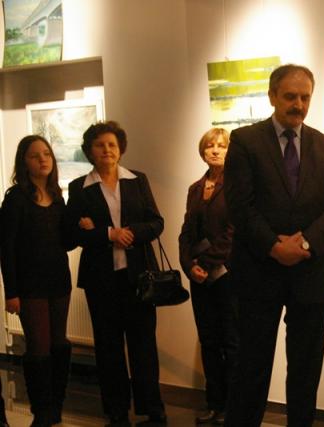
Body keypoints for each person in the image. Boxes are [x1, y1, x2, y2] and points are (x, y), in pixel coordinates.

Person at [223, 64, 324, 427]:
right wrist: (273, 246)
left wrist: (304, 243)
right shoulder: (245, 141)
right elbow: (240, 206)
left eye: (305, 97)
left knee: (306, 373)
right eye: (290, 96)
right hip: (258, 271)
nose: (298, 105)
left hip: (311, 274)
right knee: (251, 369)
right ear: (272, 96)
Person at [66, 121, 166, 425]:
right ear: (89, 151)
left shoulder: (137, 180)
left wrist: (129, 232)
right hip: (101, 282)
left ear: (120, 148)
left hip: (140, 279)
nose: (107, 150)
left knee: (143, 346)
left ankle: (153, 409)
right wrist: (108, 234)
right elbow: (71, 235)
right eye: (99, 145)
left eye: (112, 144)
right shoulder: (79, 187)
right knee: (108, 348)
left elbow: (156, 222)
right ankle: (117, 411)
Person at [1, 135, 73, 427]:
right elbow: (6, 249)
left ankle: (56, 407)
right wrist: (11, 292)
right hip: (30, 285)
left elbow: (66, 242)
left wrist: (82, 226)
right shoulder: (15, 199)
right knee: (39, 348)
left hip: (59, 281)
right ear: (24, 162)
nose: (43, 159)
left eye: (46, 154)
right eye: (35, 156)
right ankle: (41, 411)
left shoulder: (58, 196)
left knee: (59, 345)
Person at [179, 128, 238, 425]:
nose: (215, 150)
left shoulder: (237, 185)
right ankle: (214, 404)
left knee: (232, 342)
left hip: (228, 276)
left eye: (221, 146)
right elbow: (186, 232)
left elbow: (233, 233)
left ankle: (234, 408)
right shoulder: (195, 188)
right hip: (200, 278)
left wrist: (205, 261)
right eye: (210, 146)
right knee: (209, 341)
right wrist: (189, 265)